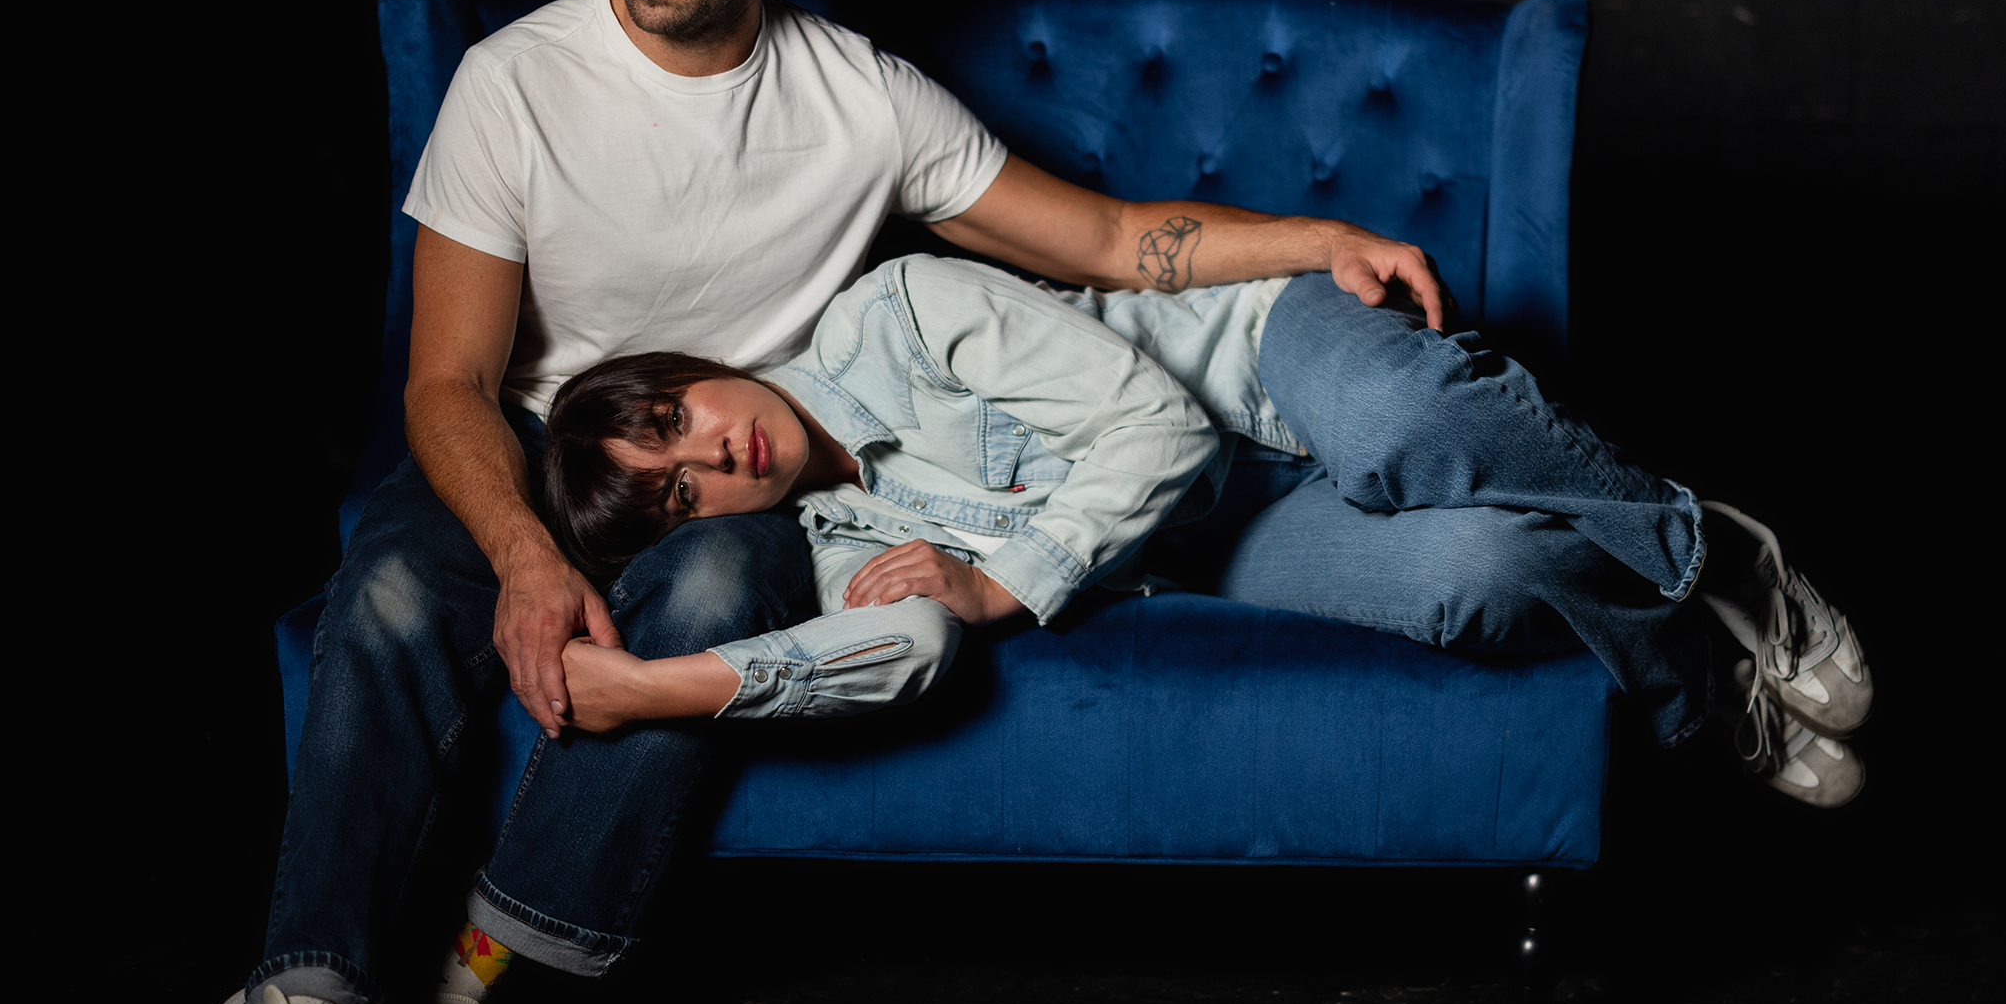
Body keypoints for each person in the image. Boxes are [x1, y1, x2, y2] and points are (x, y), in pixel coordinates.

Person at [140, 0, 1469, 1004]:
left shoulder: (863, 99)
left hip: (755, 468)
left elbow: (1096, 239)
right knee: (400, 590)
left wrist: (1316, 239)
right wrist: (526, 554)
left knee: (717, 584)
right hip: (535, 443)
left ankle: (479, 988)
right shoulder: (513, 80)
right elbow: (446, 378)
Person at [534, 256, 1870, 827]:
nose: (710, 451)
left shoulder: (892, 312)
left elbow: (1155, 425)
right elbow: (912, 637)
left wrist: (1003, 577)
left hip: (1258, 365)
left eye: (673, 414)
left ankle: (1714, 550)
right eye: (672, 490)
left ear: (685, 370)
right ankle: (1706, 685)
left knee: (1404, 414)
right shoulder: (829, 542)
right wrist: (654, 687)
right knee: (1481, 580)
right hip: (1225, 543)